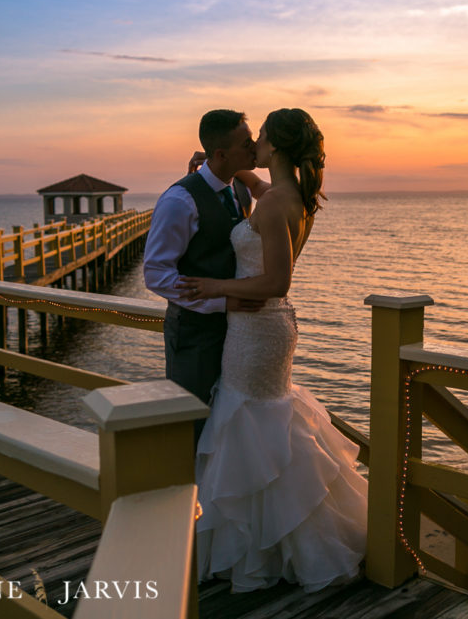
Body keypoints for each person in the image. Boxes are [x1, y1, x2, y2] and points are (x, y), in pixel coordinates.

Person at [178, 108, 367, 593]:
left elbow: (277, 282)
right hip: (263, 328)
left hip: (256, 327)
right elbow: (261, 192)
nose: (254, 144)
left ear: (276, 148)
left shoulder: (276, 203)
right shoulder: (288, 196)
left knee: (248, 421)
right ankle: (270, 541)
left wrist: (211, 286)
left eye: (260, 138)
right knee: (263, 423)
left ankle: (259, 549)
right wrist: (226, 166)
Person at [143, 109, 259, 444]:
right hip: (194, 334)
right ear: (221, 154)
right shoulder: (179, 201)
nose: (254, 148)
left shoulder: (240, 190)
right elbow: (156, 274)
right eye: (247, 143)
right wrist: (223, 301)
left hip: (236, 332)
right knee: (193, 429)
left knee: (229, 429)